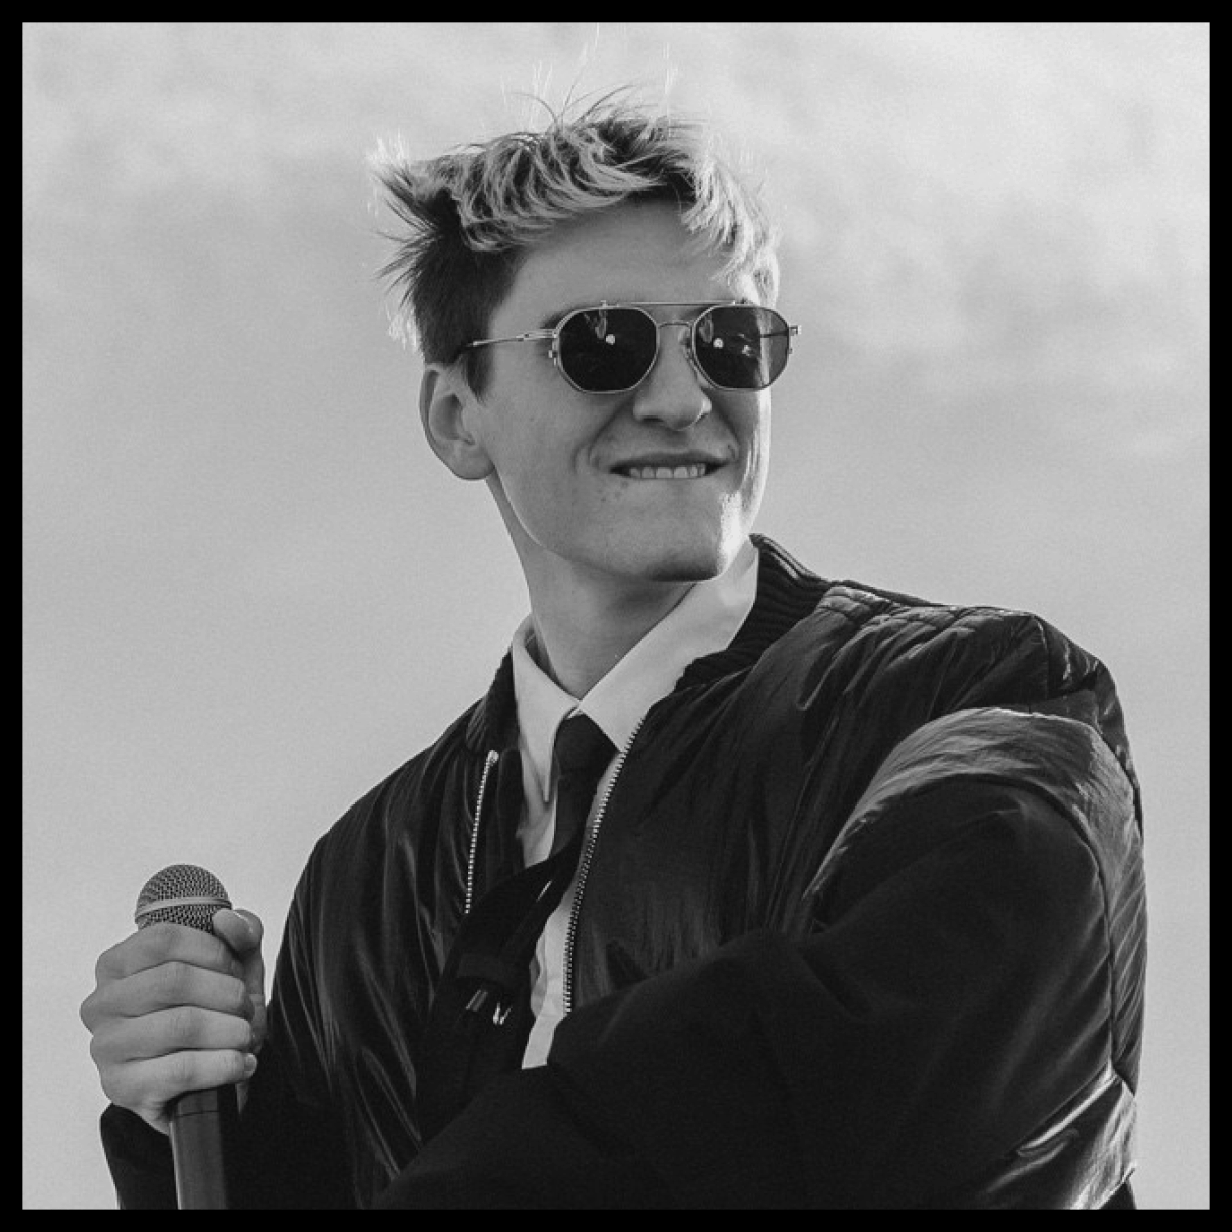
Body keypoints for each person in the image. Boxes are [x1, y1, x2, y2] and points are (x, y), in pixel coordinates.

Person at [80, 93, 1146, 1210]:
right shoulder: (367, 877)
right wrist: (208, 1126)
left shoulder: (979, 701)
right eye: (602, 342)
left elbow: (912, 1107)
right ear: (456, 416)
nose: (684, 398)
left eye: (728, 340)